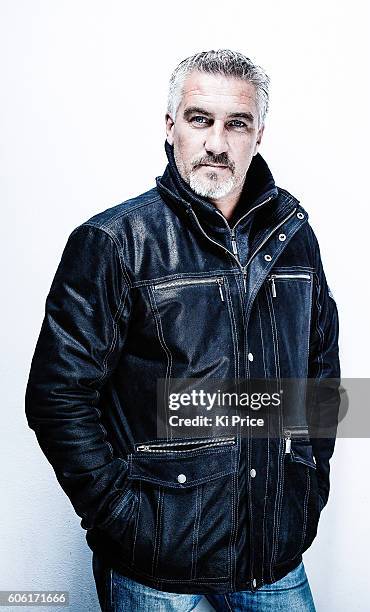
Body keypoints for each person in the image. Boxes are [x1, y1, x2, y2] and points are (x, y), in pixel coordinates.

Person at [25, 49, 340, 611]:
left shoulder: (295, 239)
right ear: (171, 127)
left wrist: (308, 488)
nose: (217, 142)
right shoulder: (116, 242)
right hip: (157, 567)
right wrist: (126, 519)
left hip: (272, 553)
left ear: (258, 134)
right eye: (200, 119)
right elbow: (57, 396)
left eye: (236, 123)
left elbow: (320, 374)